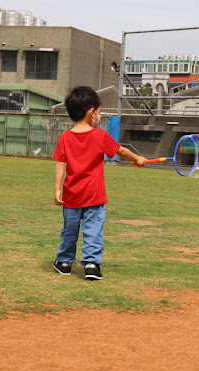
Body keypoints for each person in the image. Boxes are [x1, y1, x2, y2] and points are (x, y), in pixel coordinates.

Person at [53, 86, 148, 280]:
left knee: (69, 231)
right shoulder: (100, 136)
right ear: (91, 113)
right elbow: (121, 151)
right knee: (93, 231)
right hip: (94, 197)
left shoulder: (65, 138)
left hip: (71, 197)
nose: (100, 116)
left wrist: (57, 189)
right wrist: (137, 158)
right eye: (100, 112)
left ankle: (64, 262)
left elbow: (60, 164)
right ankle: (91, 265)